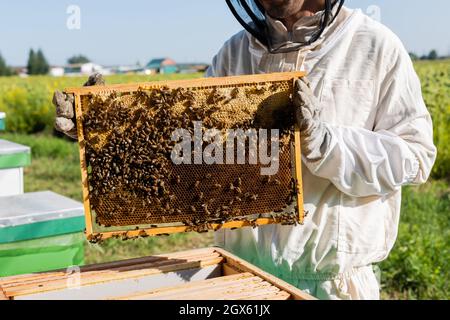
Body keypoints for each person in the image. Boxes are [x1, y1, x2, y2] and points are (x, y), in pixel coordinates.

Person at [54, 0, 437, 300]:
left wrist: (325, 141)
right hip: (238, 276)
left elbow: (416, 157)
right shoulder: (234, 53)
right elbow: (191, 158)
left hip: (331, 285)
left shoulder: (376, 47)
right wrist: (110, 133)